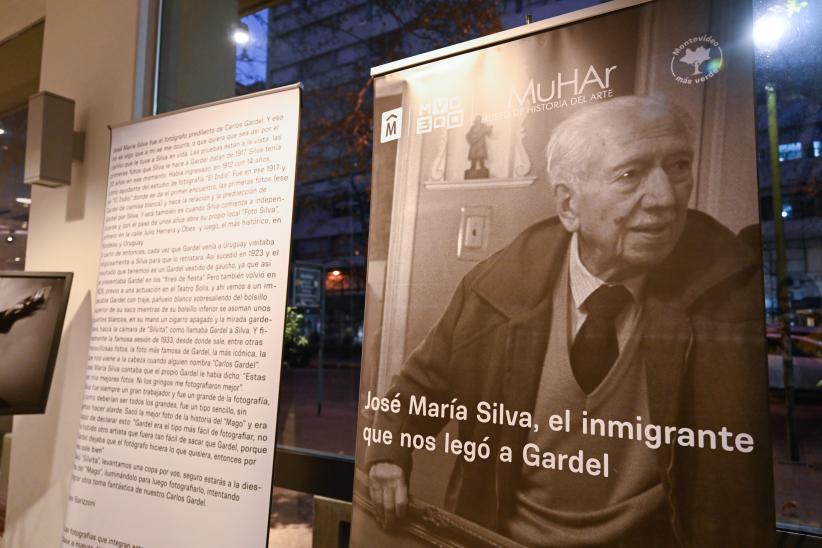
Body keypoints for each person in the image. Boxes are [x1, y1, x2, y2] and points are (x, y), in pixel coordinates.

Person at [364, 95, 773, 547]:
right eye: (630, 174)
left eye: (678, 166)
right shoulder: (493, 290)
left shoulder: (733, 291)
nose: (664, 199)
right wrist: (387, 456)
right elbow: (412, 396)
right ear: (569, 205)